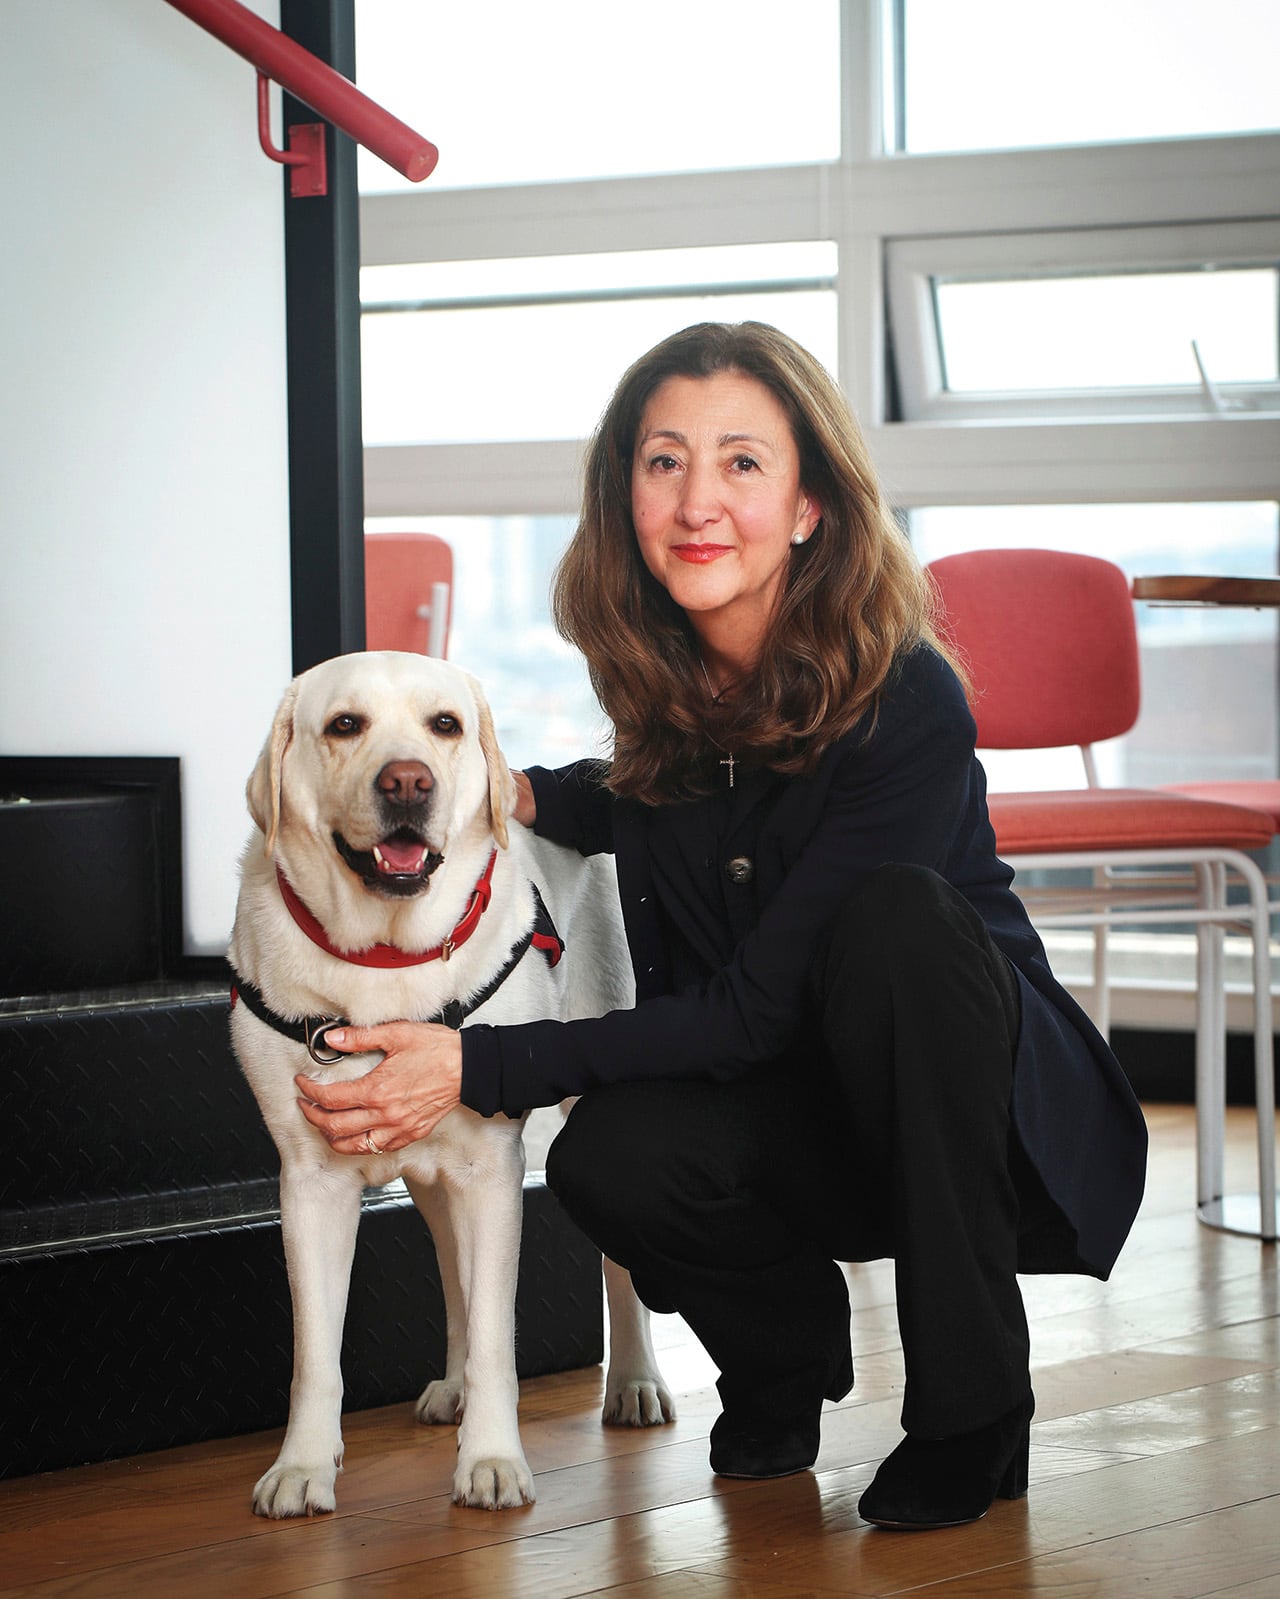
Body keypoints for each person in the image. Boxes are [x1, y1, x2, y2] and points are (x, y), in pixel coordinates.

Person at [295, 321, 1148, 1530]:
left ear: (808, 505)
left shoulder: (907, 696)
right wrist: (514, 788)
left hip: (957, 1116)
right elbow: (666, 799)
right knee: (606, 1158)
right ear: (625, 496)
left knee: (901, 922)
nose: (697, 501)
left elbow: (757, 1004)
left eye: (741, 463)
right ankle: (783, 1368)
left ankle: (972, 1411)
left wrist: (478, 1067)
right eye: (663, 463)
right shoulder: (668, 695)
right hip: (797, 1122)